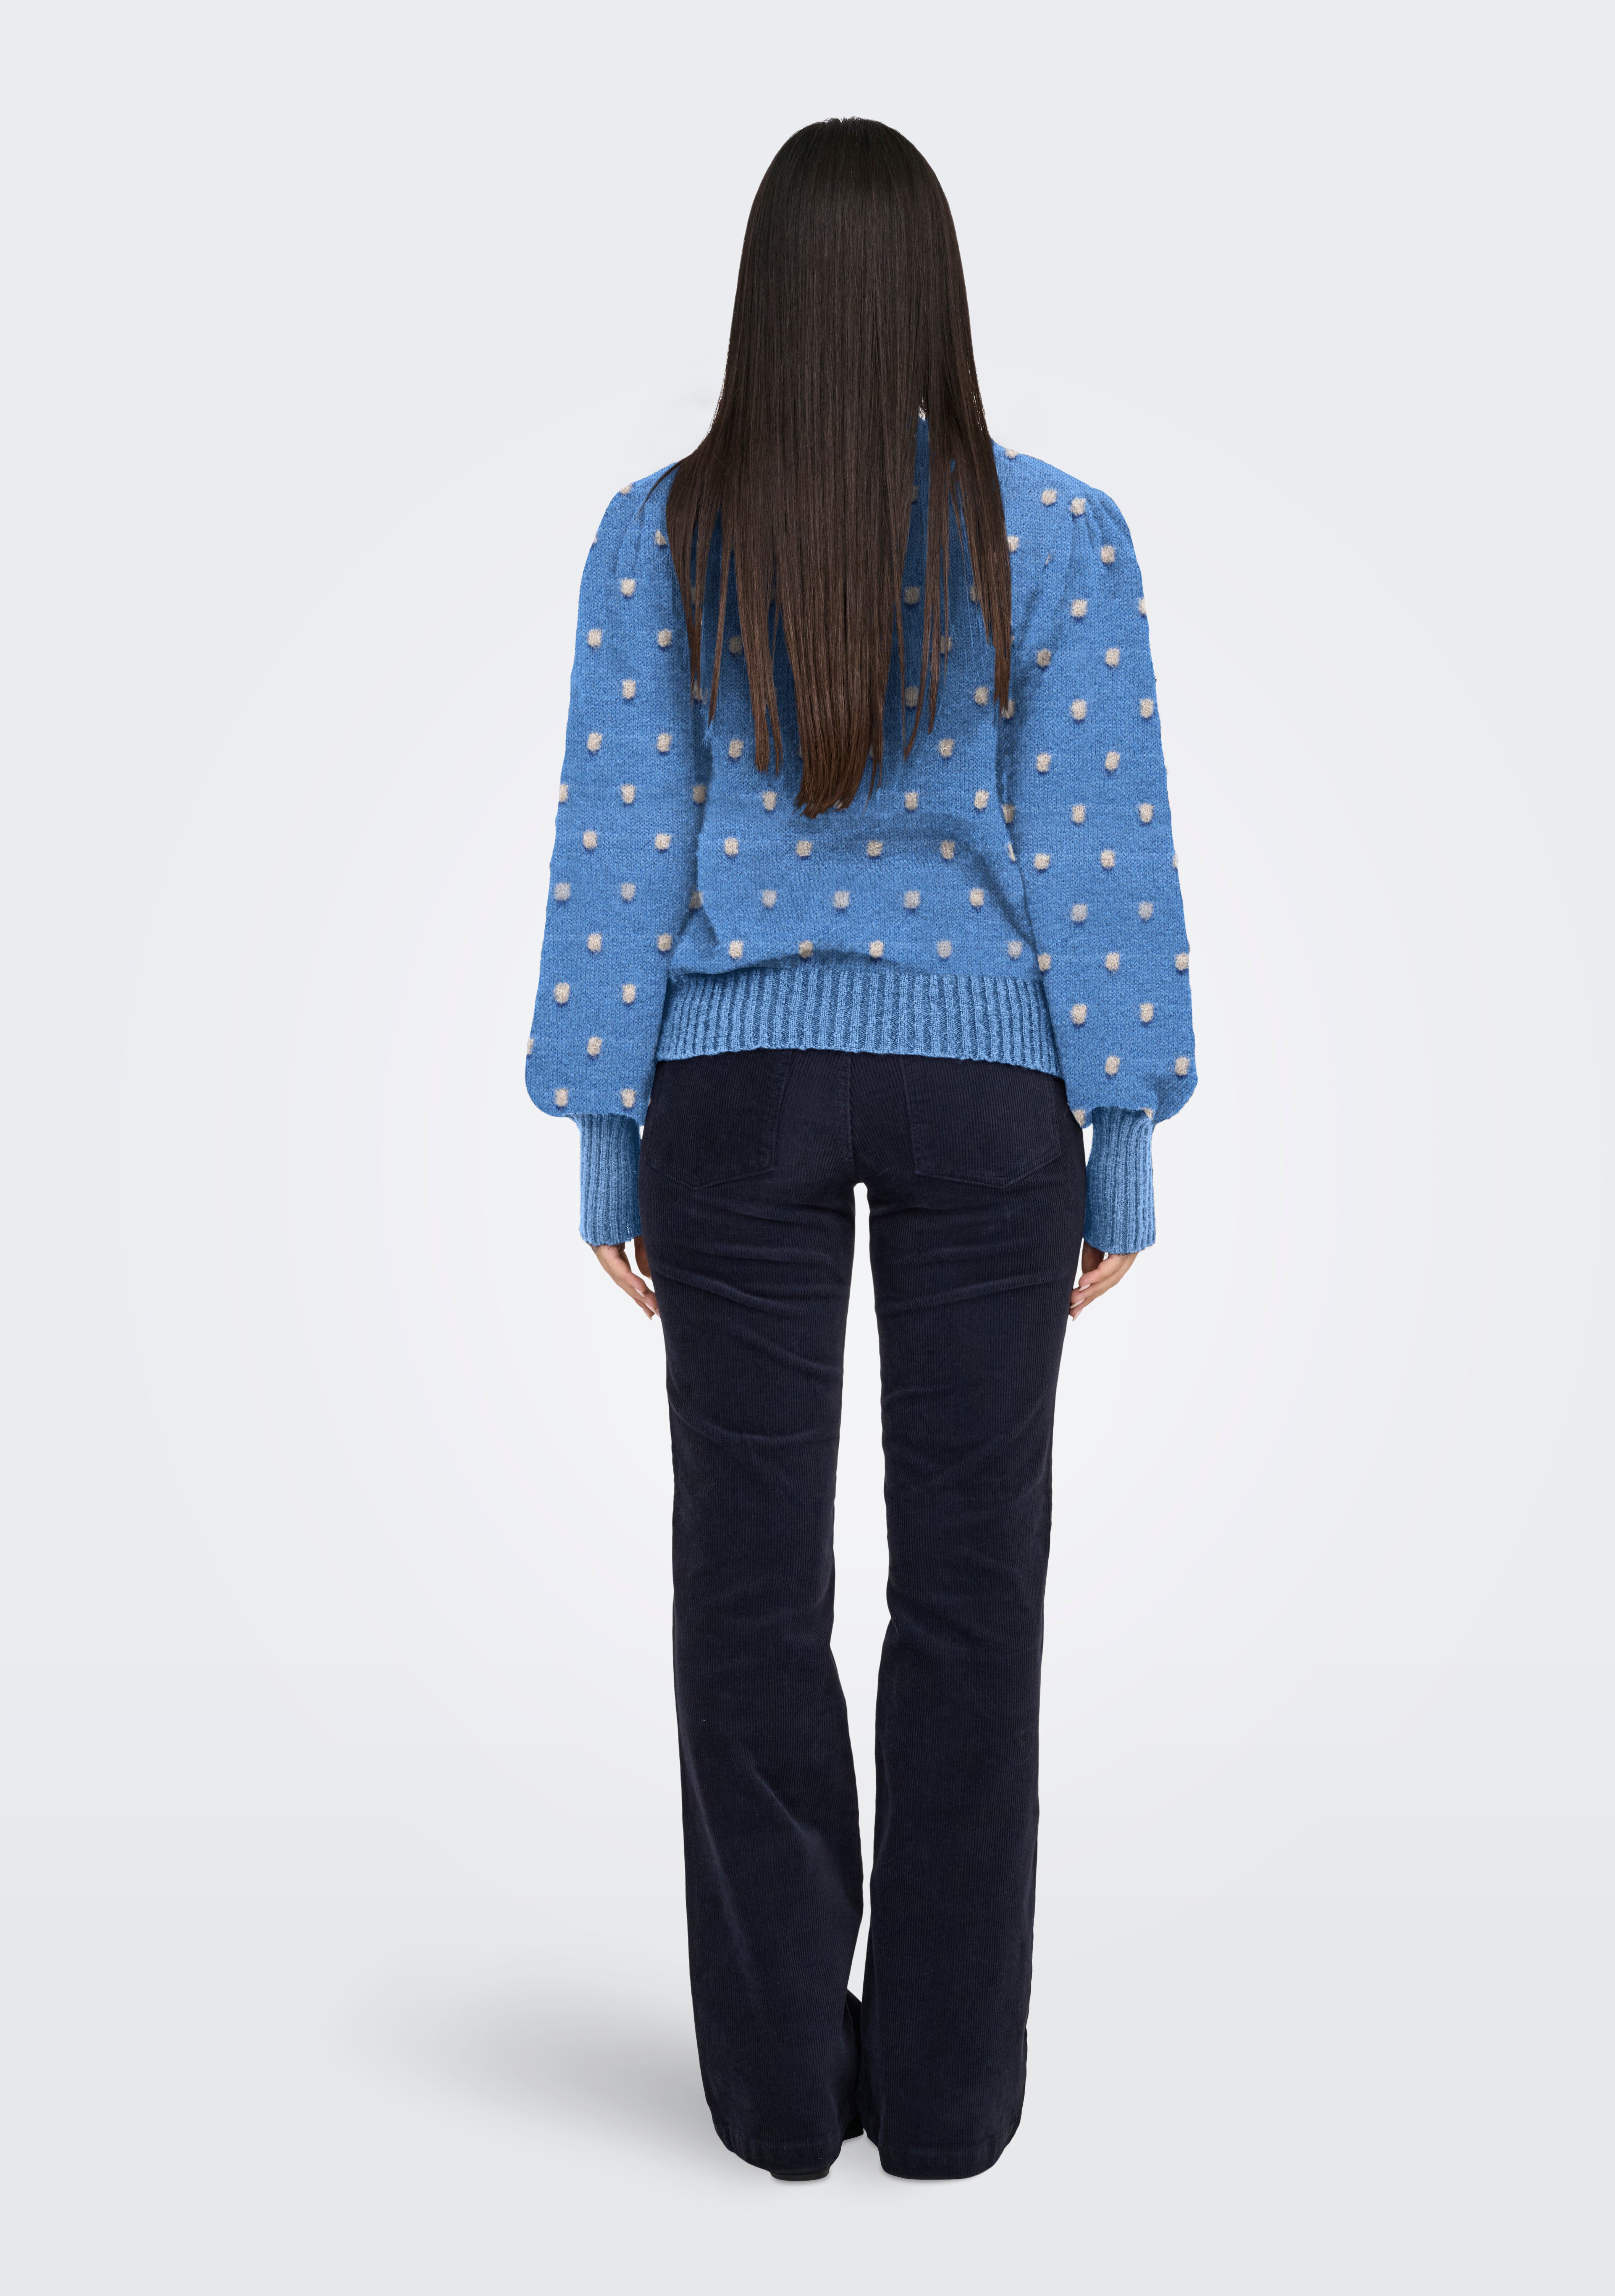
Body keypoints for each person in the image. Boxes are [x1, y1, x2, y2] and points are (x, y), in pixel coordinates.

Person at [524, 118, 1196, 2183]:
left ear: (768, 298)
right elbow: (1097, 850)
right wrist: (1120, 1131)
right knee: (975, 1590)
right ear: (934, 293)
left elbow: (623, 839)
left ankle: (773, 2100)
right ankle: (955, 2100)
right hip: (988, 1098)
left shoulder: (660, 535)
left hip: (733, 1095)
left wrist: (608, 1129)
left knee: (745, 1587)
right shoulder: (1057, 532)